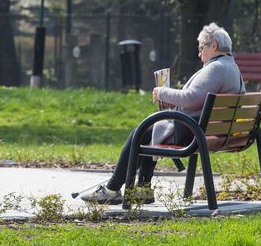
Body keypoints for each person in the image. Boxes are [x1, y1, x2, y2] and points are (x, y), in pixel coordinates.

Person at [81, 23, 245, 204]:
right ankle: (142, 189)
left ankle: (112, 189)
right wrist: (175, 100)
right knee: (150, 129)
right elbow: (199, 100)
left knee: (140, 132)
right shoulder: (231, 67)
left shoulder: (216, 68)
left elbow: (191, 98)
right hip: (210, 129)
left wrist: (162, 92)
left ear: (213, 45)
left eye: (201, 48)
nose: (199, 53)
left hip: (192, 131)